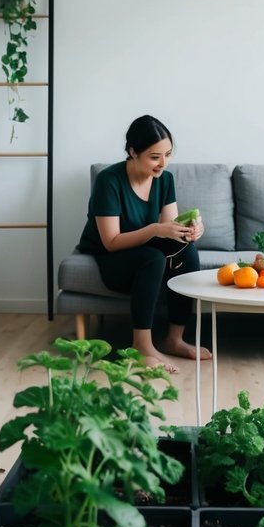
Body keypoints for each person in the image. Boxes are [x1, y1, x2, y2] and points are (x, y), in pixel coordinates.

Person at [77, 114, 212, 372]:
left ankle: (174, 339)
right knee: (153, 258)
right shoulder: (109, 181)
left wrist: (191, 231)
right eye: (154, 157)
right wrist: (155, 229)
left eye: (168, 154)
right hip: (111, 257)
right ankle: (141, 347)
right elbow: (111, 242)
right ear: (133, 152)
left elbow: (170, 231)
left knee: (187, 250)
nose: (163, 163)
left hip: (143, 251)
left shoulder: (165, 180)